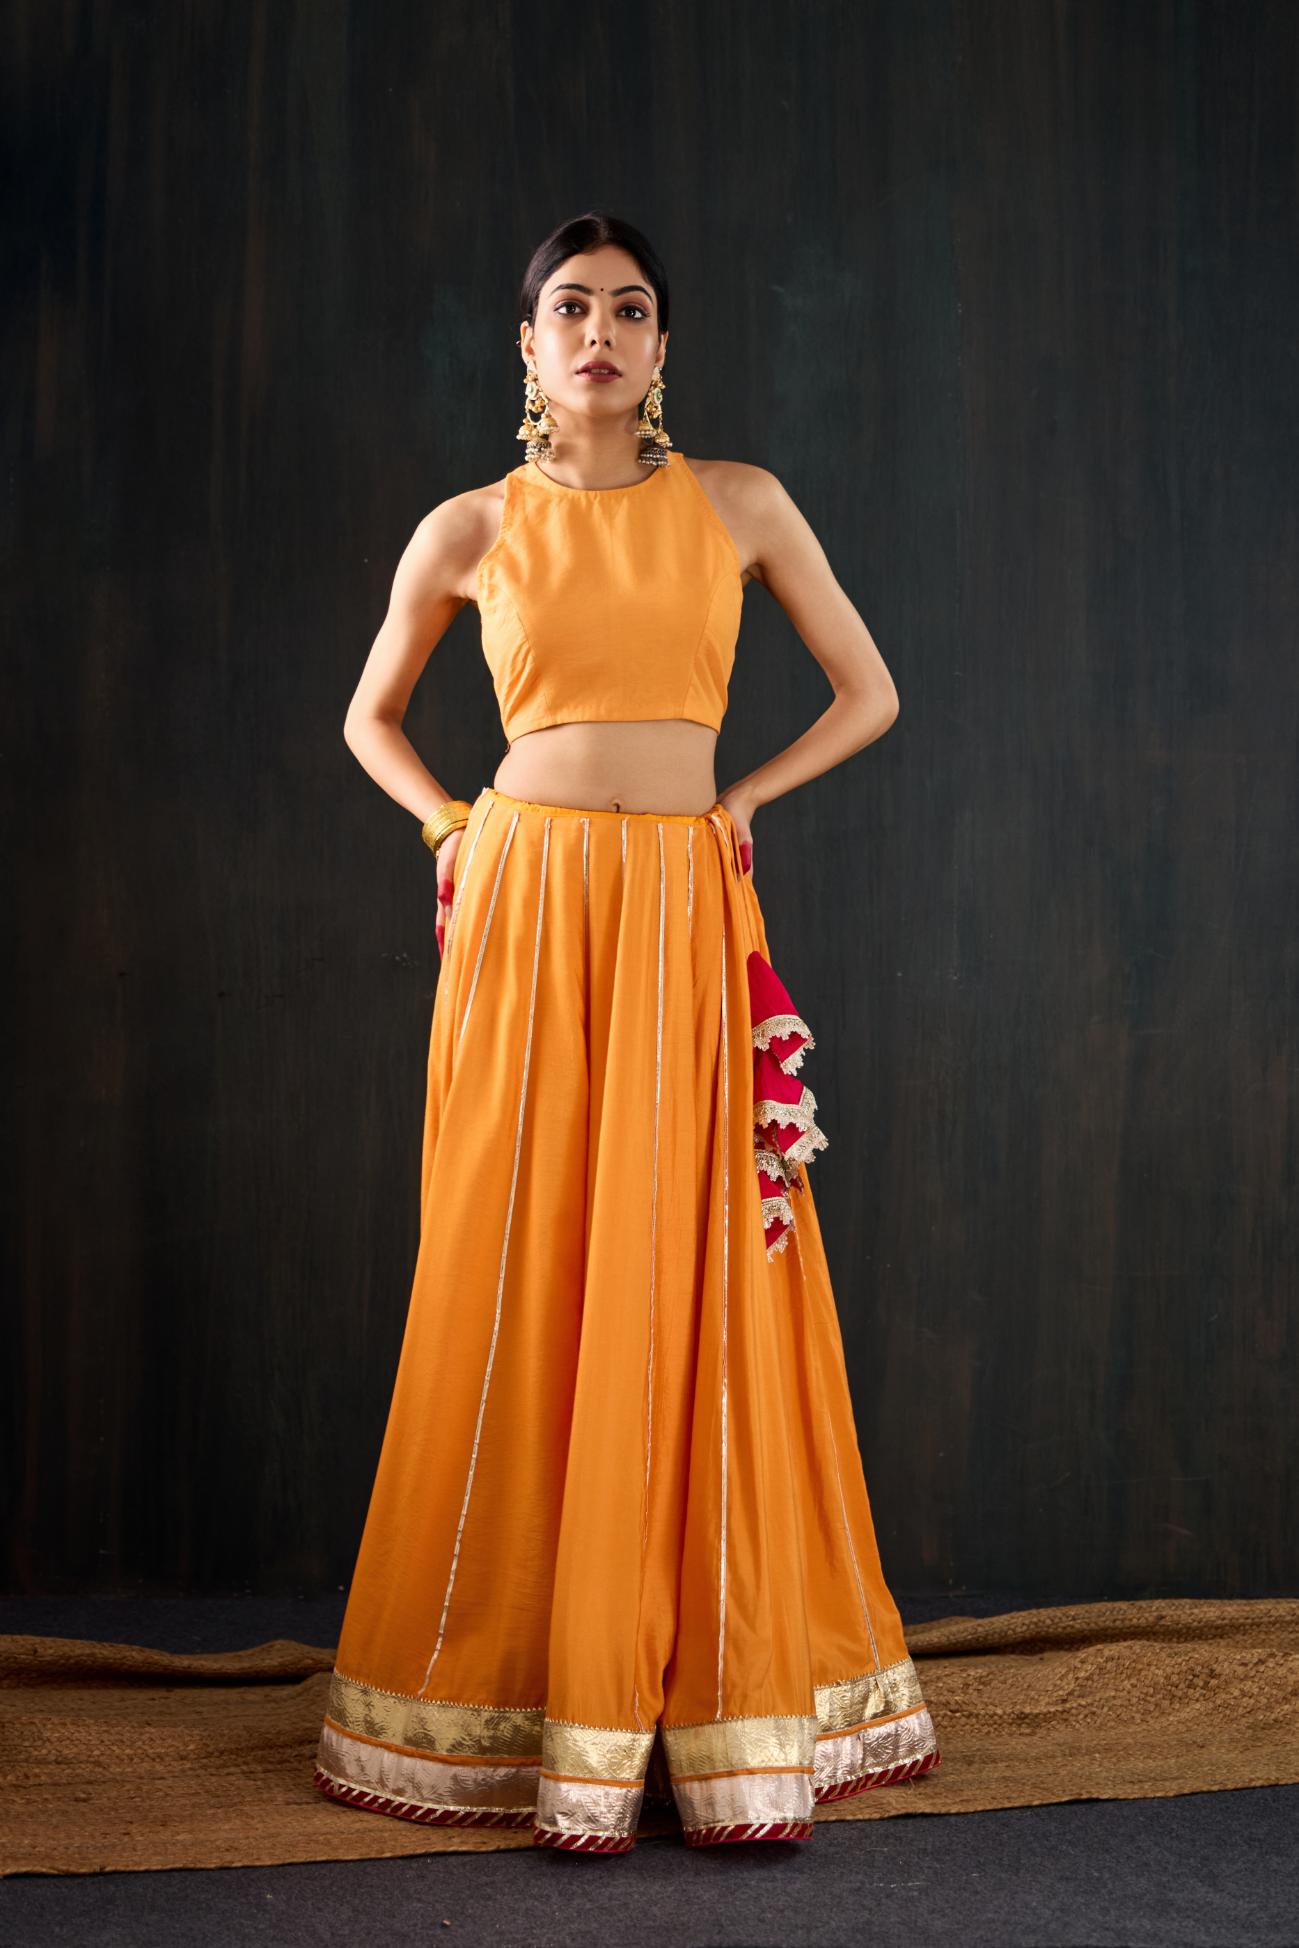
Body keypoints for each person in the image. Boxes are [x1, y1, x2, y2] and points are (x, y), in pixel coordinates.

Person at [313, 211, 940, 1853]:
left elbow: (869, 690)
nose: (601, 332)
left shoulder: (739, 504)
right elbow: (370, 718)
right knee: (520, 1249)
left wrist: (745, 800)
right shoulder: (469, 526)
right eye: (572, 309)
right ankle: (517, 1692)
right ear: (527, 346)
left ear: (664, 346)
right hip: (525, 912)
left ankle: (699, 1700)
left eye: (632, 309)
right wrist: (452, 829)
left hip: (679, 907)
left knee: (688, 1257)